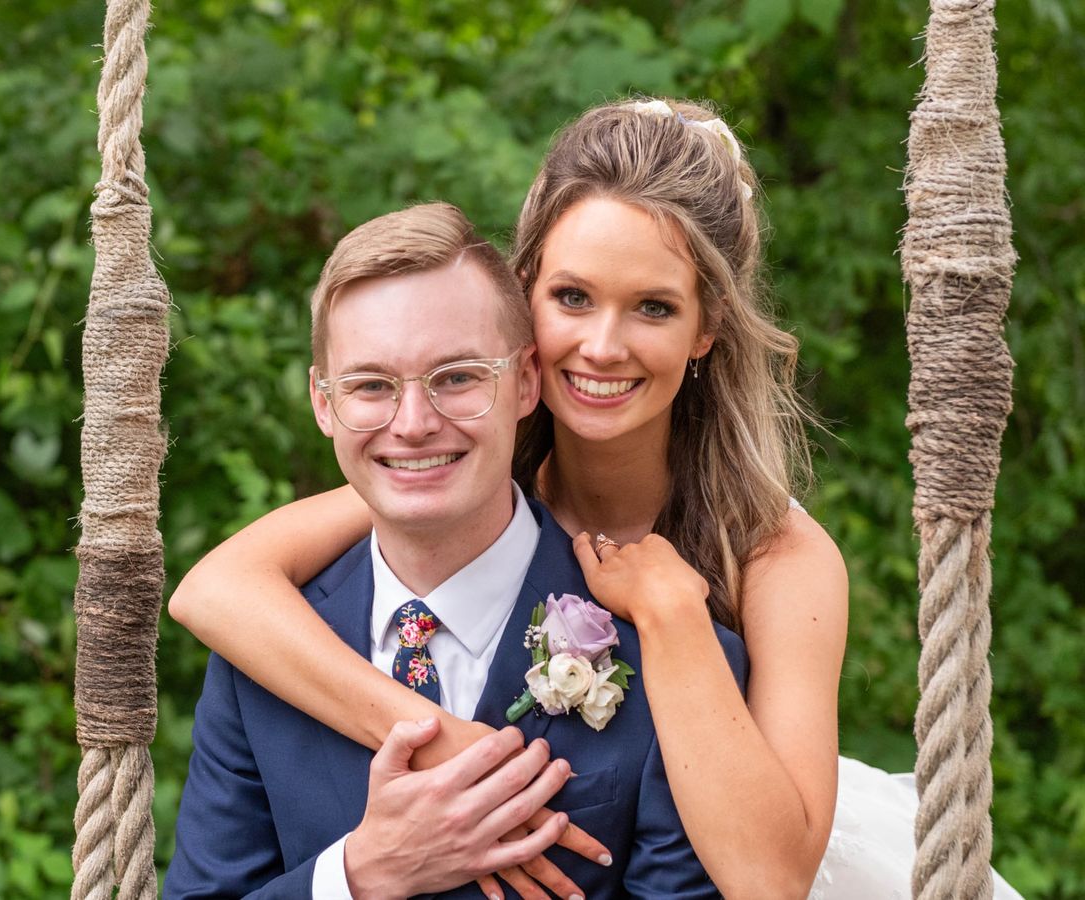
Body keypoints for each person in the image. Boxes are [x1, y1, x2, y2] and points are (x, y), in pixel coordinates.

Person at [169, 98, 1023, 899]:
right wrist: (457, 758)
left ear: (706, 327)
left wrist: (674, 617)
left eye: (653, 307)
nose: (603, 346)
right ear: (525, 291)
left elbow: (769, 879)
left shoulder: (773, 556)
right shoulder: (452, 466)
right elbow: (216, 591)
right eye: (572, 297)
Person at [163, 201, 750, 899]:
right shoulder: (259, 655)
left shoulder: (668, 659)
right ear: (323, 403)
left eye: (457, 377)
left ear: (526, 381)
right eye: (371, 385)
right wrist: (360, 876)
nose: (413, 424)